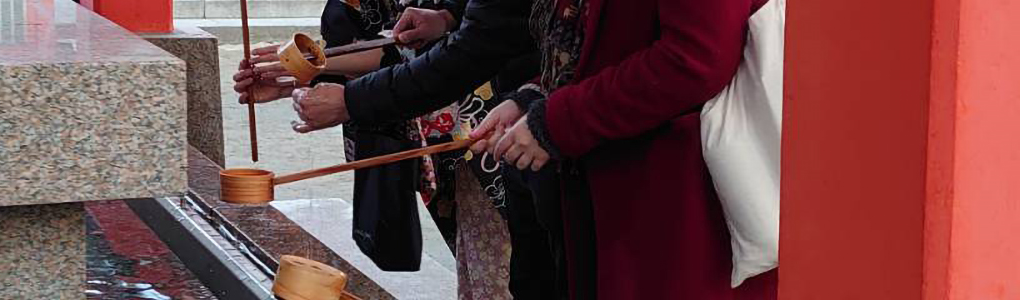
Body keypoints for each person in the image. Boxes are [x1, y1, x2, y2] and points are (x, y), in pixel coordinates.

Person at [234, 1, 561, 298]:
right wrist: (448, 16)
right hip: (459, 114)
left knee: (504, 273)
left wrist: (333, 90)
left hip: (498, 129)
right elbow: (395, 39)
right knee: (481, 272)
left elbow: (472, 46)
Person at [467, 0, 782, 298]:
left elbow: (695, 60)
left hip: (671, 202)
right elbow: (606, 38)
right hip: (608, 190)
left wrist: (560, 120)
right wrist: (536, 97)